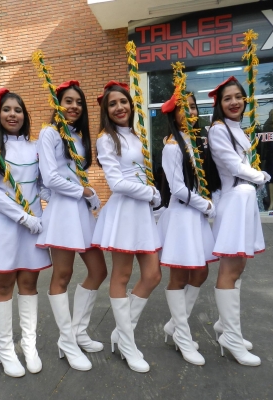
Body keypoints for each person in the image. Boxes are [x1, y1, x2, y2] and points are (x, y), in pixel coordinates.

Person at [0, 88, 51, 377]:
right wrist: (22, 216)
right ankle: (5, 349)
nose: (13, 114)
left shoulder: (34, 147)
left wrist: (58, 202)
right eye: (7, 109)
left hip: (34, 227)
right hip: (6, 227)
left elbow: (42, 184)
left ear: (25, 115)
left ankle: (29, 345)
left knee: (29, 286)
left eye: (18, 110)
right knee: (3, 287)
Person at [36, 80, 107, 372]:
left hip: (79, 209)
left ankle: (78, 331)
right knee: (62, 274)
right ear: (58, 103)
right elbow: (50, 178)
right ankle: (66, 341)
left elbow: (74, 174)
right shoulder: (49, 133)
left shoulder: (77, 136)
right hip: (64, 211)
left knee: (99, 270)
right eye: (68, 101)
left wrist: (88, 197)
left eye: (78, 102)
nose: (74, 106)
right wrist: (84, 192)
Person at [91, 81, 162, 373]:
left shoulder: (135, 135)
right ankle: (128, 345)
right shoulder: (105, 139)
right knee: (121, 275)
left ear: (131, 106)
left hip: (142, 211)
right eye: (113, 104)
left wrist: (151, 197)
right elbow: (116, 182)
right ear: (106, 111)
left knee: (153, 275)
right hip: (124, 211)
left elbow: (139, 173)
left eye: (123, 102)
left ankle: (121, 334)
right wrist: (152, 194)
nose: (119, 107)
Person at [206, 76, 271, 366]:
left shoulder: (238, 129)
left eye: (238, 97)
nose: (234, 102)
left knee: (239, 265)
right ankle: (231, 337)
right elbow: (233, 166)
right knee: (231, 267)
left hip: (243, 201)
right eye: (227, 98)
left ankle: (225, 325)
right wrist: (262, 176)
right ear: (219, 105)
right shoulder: (218, 130)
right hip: (233, 201)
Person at [157, 92, 217, 366]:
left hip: (195, 215)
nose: (191, 112)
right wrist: (203, 205)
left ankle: (173, 325)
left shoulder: (192, 142)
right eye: (185, 108)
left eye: (193, 107)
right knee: (179, 277)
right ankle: (182, 336)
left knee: (201, 271)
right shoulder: (171, 146)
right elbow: (178, 189)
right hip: (183, 215)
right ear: (173, 114)